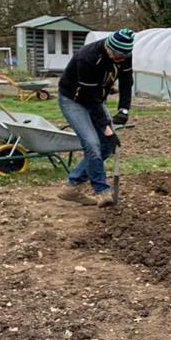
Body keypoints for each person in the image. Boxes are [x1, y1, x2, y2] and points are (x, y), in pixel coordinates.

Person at [56, 28, 135, 207]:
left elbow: (126, 82)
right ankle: (102, 191)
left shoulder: (124, 54)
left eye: (125, 57)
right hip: (73, 100)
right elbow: (90, 100)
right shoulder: (88, 58)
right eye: (118, 57)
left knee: (107, 146)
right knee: (92, 143)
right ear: (109, 48)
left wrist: (124, 110)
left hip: (96, 99)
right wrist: (107, 130)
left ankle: (72, 187)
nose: (121, 60)